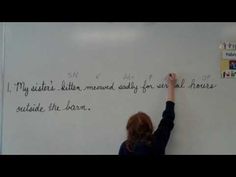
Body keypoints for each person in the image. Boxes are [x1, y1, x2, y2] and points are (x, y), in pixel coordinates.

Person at [119, 73, 176, 155]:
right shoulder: (158, 141)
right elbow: (168, 116)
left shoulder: (126, 147)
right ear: (150, 126)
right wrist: (171, 86)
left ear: (129, 130)